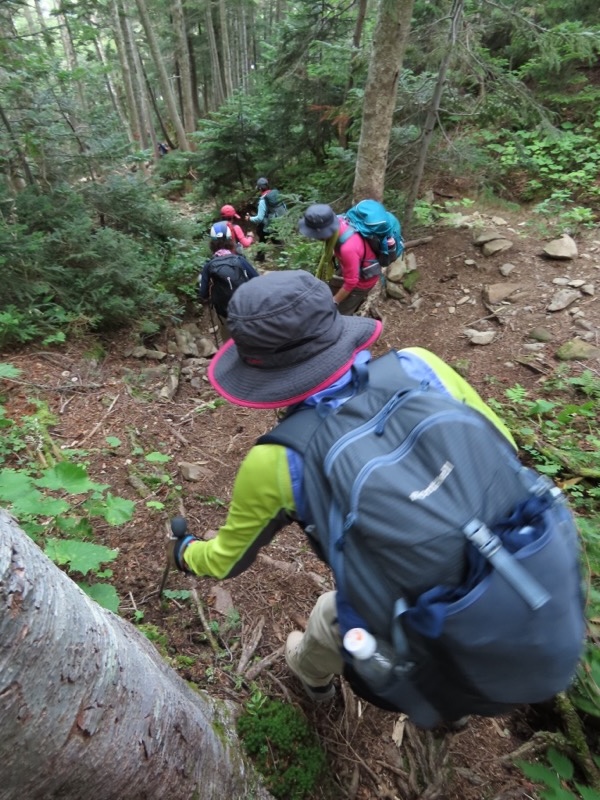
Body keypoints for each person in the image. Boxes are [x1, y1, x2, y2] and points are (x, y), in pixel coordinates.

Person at [168, 270, 522, 718]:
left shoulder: (278, 461)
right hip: (518, 567)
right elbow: (504, 449)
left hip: (418, 625)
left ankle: (313, 681)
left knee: (326, 617)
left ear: (260, 371)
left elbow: (225, 560)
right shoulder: (422, 364)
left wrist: (186, 553)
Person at [298, 203, 379, 316]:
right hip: (353, 264)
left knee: (339, 315)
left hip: (363, 280)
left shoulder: (348, 249)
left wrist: (335, 301)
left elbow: (351, 282)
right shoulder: (339, 221)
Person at [197, 222, 259, 343]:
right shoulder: (240, 260)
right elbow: (257, 279)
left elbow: (203, 294)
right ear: (230, 240)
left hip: (225, 312)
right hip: (246, 309)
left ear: (212, 244)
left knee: (229, 344)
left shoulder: (209, 266)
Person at [247, 177, 287, 263]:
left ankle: (284, 258)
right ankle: (261, 256)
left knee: (264, 234)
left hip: (269, 224)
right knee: (266, 237)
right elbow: (284, 206)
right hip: (278, 221)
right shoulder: (276, 194)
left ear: (259, 188)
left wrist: (249, 218)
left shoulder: (263, 200)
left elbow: (259, 218)